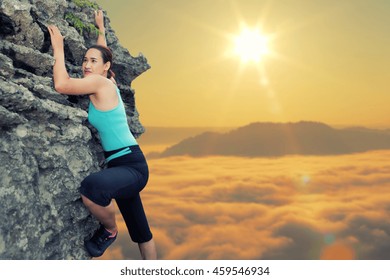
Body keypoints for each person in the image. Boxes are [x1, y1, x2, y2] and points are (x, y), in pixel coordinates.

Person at [47, 10, 157, 260]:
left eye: (92, 61)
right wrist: (100, 29)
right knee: (142, 233)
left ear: (106, 68)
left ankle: (109, 230)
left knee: (91, 188)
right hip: (121, 165)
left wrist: (58, 48)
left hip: (131, 166)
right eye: (85, 60)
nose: (86, 64)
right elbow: (103, 53)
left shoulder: (102, 83)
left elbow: (62, 85)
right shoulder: (107, 81)